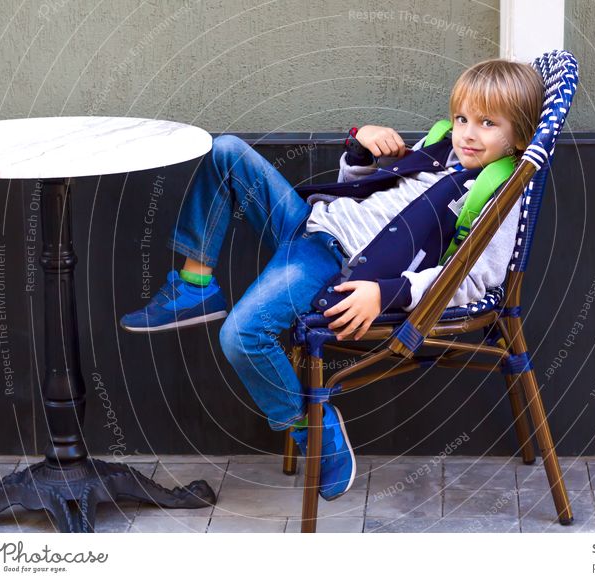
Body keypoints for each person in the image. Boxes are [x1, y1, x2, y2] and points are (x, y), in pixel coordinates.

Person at [119, 59, 544, 501]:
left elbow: (475, 279)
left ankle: (313, 428)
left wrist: (389, 293)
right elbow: (366, 193)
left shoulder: (500, 191)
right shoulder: (442, 148)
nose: (468, 133)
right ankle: (195, 285)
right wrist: (362, 153)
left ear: (520, 134)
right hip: (314, 219)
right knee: (225, 151)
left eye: (487, 123)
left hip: (334, 258)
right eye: (462, 119)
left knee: (242, 336)